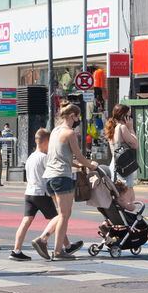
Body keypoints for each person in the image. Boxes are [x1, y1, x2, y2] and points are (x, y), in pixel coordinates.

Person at [42, 103, 98, 261]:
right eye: (77, 116)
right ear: (72, 115)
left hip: (49, 176)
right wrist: (90, 165)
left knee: (61, 214)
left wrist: (77, 165)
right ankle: (56, 249)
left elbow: (59, 155)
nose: (78, 119)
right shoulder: (69, 132)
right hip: (61, 176)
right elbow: (79, 155)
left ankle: (45, 240)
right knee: (65, 215)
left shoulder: (55, 131)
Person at [10, 128, 61, 261]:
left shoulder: (30, 157)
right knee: (59, 217)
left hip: (29, 192)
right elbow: (51, 175)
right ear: (46, 141)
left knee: (26, 221)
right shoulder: (44, 158)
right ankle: (53, 243)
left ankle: (16, 250)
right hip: (41, 193)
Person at [106, 104, 138, 206]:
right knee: (128, 201)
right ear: (124, 116)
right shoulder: (122, 127)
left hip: (114, 165)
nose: (130, 118)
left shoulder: (112, 127)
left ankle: (118, 219)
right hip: (125, 166)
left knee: (120, 196)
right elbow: (135, 144)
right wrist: (131, 128)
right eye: (129, 116)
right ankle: (125, 220)